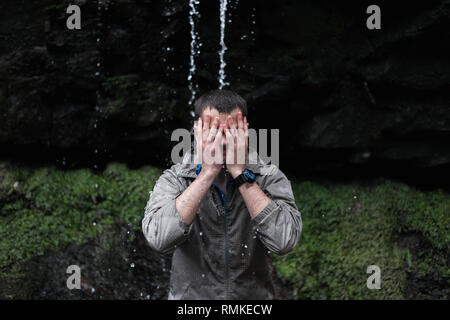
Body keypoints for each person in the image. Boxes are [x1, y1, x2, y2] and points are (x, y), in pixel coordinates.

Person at [142, 89, 302, 299]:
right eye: (214, 130)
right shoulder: (175, 179)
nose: (223, 140)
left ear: (245, 132)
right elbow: (159, 239)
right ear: (197, 132)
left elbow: (284, 241)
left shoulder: (268, 177)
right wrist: (207, 173)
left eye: (231, 130)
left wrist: (241, 174)